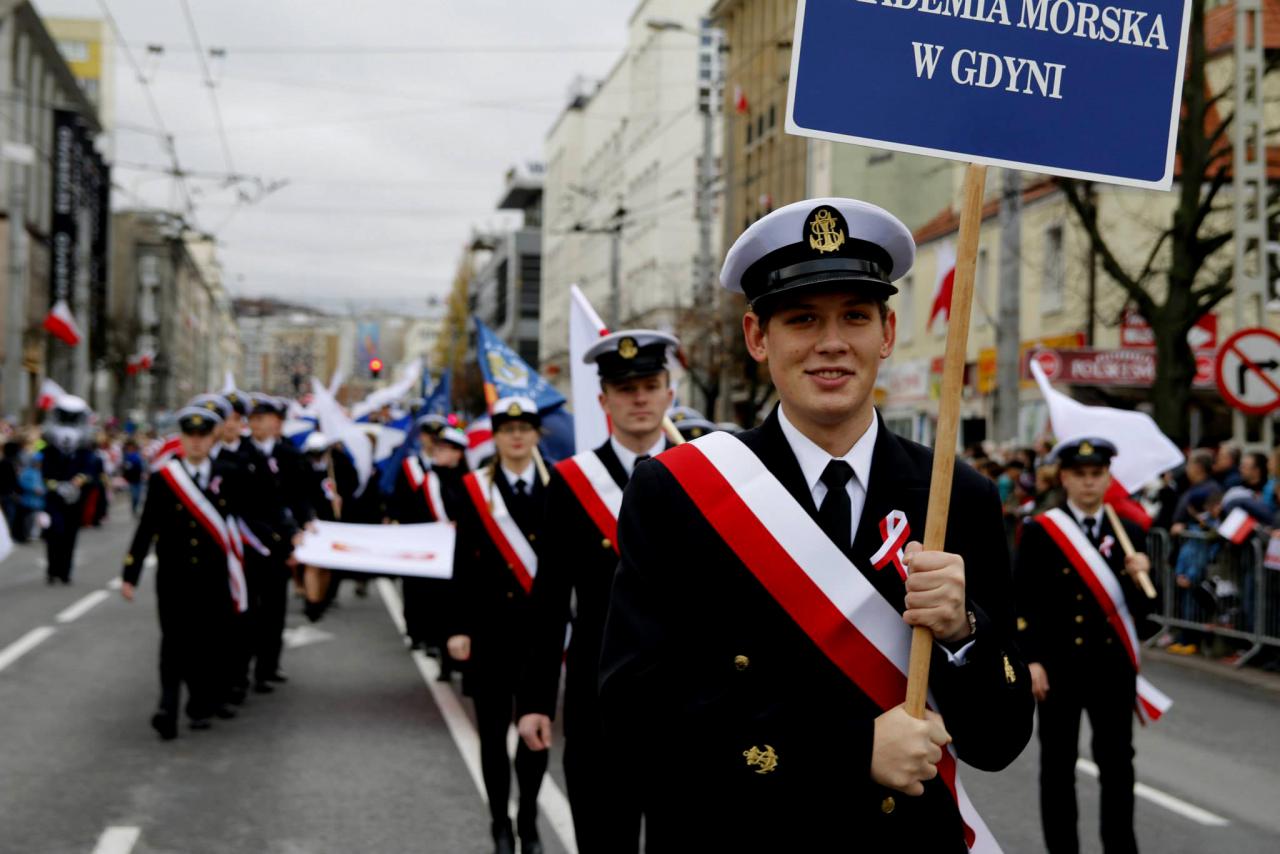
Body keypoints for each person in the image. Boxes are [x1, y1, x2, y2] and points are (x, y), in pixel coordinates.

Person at [599, 198, 1033, 850]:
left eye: (855, 317)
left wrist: (964, 635)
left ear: (887, 334)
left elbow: (999, 741)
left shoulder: (957, 495)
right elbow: (633, 717)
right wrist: (850, 750)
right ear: (756, 337)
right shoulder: (680, 492)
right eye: (803, 319)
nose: (832, 343)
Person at [517, 330, 678, 853]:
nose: (639, 398)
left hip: (690, 702)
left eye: (650, 385)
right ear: (603, 400)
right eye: (625, 388)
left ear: (669, 393)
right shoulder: (569, 481)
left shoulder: (709, 472)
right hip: (598, 698)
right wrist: (536, 701)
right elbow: (549, 600)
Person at [1015, 438, 1159, 854]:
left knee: (1117, 765)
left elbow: (1148, 613)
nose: (1089, 483)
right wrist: (1032, 660)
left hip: (1111, 669)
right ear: (1064, 478)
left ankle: (1121, 846)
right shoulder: (1042, 530)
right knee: (1057, 767)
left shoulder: (1130, 532)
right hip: (1058, 668)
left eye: (1096, 474)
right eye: (1080, 475)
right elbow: (1022, 598)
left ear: (1108, 477)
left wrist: (1141, 575)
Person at [447, 397, 549, 854]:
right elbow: (460, 564)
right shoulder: (474, 490)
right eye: (507, 428)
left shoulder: (558, 486)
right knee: (491, 735)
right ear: (496, 435)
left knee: (535, 734)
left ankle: (528, 820)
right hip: (488, 632)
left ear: (536, 434)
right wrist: (457, 626)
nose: (516, 436)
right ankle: (499, 823)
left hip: (538, 635)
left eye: (525, 427)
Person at [120, 405, 246, 740]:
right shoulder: (165, 478)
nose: (196, 442)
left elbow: (244, 523)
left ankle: (200, 705)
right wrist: (130, 574)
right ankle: (167, 707)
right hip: (174, 578)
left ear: (212, 437)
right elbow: (146, 527)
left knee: (206, 643)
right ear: (182, 438)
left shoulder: (228, 474)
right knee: (173, 643)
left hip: (213, 578)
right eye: (189, 435)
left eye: (202, 435)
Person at [241, 394, 313, 693]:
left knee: (274, 606)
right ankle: (241, 667)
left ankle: (268, 666)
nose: (259, 424)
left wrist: (306, 524)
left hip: (282, 540)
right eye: (254, 419)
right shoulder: (241, 454)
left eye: (265, 418)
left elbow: (301, 496)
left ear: (277, 423)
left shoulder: (290, 454)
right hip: (250, 539)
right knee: (248, 608)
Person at [41, 396, 96, 584]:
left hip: (75, 499)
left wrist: (77, 482)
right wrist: (57, 486)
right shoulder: (49, 450)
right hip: (54, 499)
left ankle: (65, 572)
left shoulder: (85, 450)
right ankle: (52, 570)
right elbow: (45, 473)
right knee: (54, 533)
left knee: (70, 536)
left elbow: (89, 471)